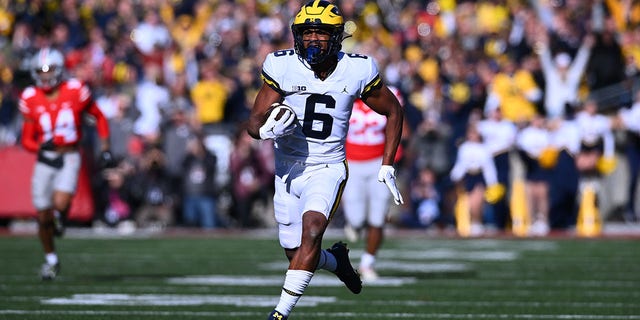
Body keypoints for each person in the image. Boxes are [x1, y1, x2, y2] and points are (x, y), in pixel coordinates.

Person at [246, 1, 404, 319]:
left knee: (314, 229)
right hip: (287, 168)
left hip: (328, 165)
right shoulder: (282, 66)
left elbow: (393, 110)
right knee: (296, 251)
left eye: (321, 33)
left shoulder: (357, 69)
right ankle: (336, 262)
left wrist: (387, 162)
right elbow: (253, 122)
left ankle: (279, 314)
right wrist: (265, 129)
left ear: (336, 37)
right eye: (308, 32)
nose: (313, 39)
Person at [19, 47, 112, 280]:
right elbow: (27, 140)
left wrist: (105, 148)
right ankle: (51, 260)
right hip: (46, 159)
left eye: (49, 70)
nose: (45, 75)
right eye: (40, 71)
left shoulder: (75, 90)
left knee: (59, 205)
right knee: (42, 216)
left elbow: (99, 116)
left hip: (70, 154)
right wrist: (41, 147)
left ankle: (60, 219)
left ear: (59, 70)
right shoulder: (30, 97)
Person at [341, 86, 406, 282]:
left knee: (378, 218)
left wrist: (397, 153)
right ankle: (354, 225)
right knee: (357, 218)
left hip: (380, 162)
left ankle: (368, 263)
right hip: (352, 162)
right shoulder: (345, 92)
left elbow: (400, 122)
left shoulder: (390, 93)